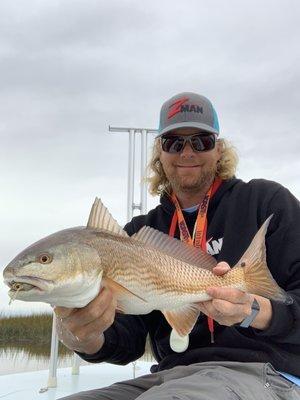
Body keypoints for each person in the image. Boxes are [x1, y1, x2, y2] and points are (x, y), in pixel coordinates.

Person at [56, 92, 300, 400]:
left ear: (219, 149)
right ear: (160, 151)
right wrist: (82, 335)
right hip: (170, 376)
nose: (187, 152)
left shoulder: (266, 203)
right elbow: (128, 339)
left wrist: (255, 310)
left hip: (262, 372)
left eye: (201, 141)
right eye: (174, 143)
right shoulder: (138, 233)